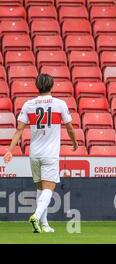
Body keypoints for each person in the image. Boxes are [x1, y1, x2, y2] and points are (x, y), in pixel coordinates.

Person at [2, 74, 77, 233]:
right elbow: (70, 128)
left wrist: (10, 150)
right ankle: (36, 216)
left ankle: (44, 225)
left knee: (40, 189)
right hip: (50, 154)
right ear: (52, 85)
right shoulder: (60, 104)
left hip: (34, 153)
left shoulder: (29, 105)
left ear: (37, 86)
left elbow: (19, 130)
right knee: (49, 188)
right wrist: (75, 142)